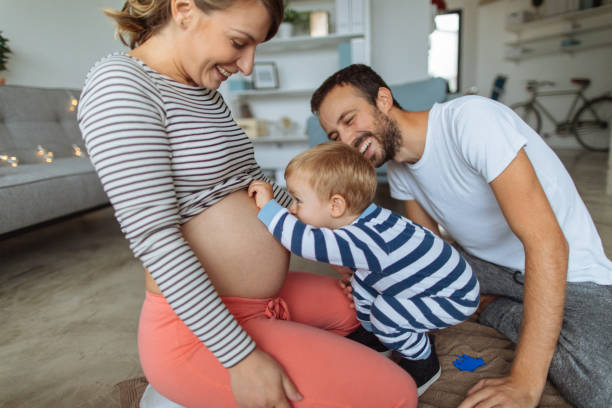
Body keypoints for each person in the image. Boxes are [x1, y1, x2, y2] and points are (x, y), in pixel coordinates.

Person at [78, 2, 418, 407]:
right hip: (193, 328)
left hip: (262, 301)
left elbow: (257, 186)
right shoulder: (120, 86)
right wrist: (240, 358)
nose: (247, 66)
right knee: (395, 394)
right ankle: (183, 384)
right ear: (184, 9)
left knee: (362, 310)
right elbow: (155, 240)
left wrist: (335, 242)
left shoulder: (203, 93)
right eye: (239, 42)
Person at [309, 64, 612, 408]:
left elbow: (547, 243)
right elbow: (422, 253)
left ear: (383, 99)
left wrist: (525, 381)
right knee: (379, 269)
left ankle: (497, 310)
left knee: (603, 391)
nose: (346, 141)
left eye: (349, 120)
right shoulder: (399, 168)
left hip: (570, 272)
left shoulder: (471, 120)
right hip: (483, 268)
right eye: (334, 136)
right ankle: (499, 306)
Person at [248, 142, 480, 396]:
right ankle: (377, 335)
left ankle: (423, 360)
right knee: (362, 282)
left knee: (386, 313)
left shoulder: (364, 238)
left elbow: (305, 242)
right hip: (428, 281)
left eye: (298, 201)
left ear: (336, 206)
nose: (292, 208)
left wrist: (270, 208)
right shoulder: (363, 217)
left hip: (453, 296)